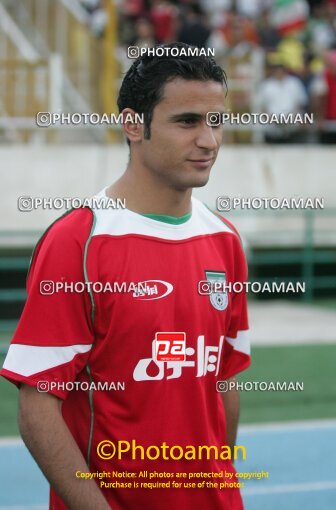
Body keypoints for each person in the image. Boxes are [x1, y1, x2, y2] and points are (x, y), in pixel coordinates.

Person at [1, 42, 251, 510]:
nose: (209, 140)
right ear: (134, 125)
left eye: (216, 121)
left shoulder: (225, 239)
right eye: (187, 121)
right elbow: (38, 405)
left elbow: (224, 377)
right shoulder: (78, 241)